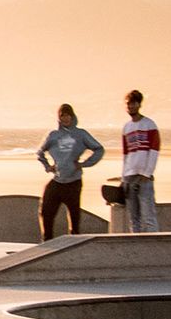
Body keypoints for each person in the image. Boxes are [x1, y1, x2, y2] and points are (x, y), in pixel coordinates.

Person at [35, 103, 104, 240]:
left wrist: (84, 164)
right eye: (62, 116)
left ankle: (73, 244)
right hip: (57, 181)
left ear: (72, 117)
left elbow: (99, 149)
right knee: (46, 212)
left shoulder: (81, 134)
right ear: (59, 118)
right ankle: (47, 242)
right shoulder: (54, 135)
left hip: (73, 182)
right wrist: (48, 166)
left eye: (68, 115)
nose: (65, 119)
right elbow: (40, 152)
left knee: (74, 217)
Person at [121, 89, 160, 233]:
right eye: (128, 104)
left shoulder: (149, 124)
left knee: (148, 215)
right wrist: (124, 176)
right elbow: (126, 155)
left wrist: (147, 172)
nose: (130, 107)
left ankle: (153, 247)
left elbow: (154, 151)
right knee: (133, 217)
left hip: (144, 177)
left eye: (133, 103)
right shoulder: (126, 127)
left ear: (139, 104)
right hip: (129, 176)